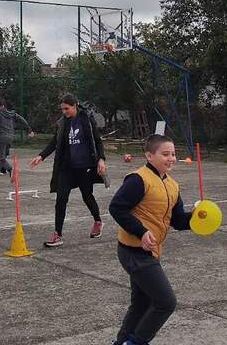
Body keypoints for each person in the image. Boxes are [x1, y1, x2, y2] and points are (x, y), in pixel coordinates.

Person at [108, 135, 192, 345]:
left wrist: (199, 218)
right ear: (149, 156)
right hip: (133, 251)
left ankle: (121, 342)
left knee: (141, 303)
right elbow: (117, 207)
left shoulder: (172, 185)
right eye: (165, 154)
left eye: (173, 154)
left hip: (151, 251)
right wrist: (142, 231)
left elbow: (178, 220)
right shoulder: (138, 179)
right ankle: (135, 342)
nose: (171, 158)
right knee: (166, 302)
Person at [30, 94, 107, 247]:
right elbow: (54, 141)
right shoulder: (62, 123)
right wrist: (41, 156)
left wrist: (101, 159)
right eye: (62, 109)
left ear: (75, 105)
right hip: (66, 167)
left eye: (67, 108)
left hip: (84, 166)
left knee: (87, 196)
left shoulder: (86, 119)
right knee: (61, 199)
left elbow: (97, 141)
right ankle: (57, 234)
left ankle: (98, 221)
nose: (64, 112)